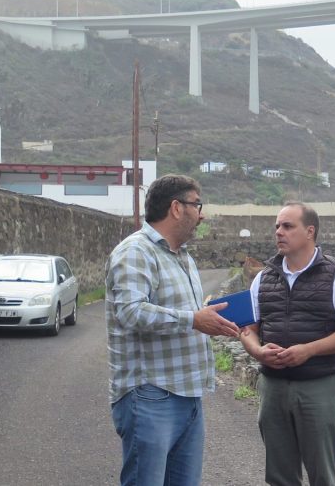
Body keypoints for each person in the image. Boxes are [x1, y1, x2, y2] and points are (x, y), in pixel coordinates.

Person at [106, 174, 240, 486]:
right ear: (176, 208)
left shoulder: (183, 257)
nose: (201, 214)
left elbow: (187, 317)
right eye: (197, 205)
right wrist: (194, 319)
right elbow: (130, 311)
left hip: (188, 397)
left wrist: (210, 321)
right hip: (150, 396)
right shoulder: (135, 252)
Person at [239, 202, 335, 486]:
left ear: (310, 232)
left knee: (322, 474)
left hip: (318, 386)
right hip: (273, 387)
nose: (279, 232)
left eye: (287, 226)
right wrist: (258, 351)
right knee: (280, 476)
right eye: (277, 227)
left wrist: (308, 350)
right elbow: (248, 329)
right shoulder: (263, 278)